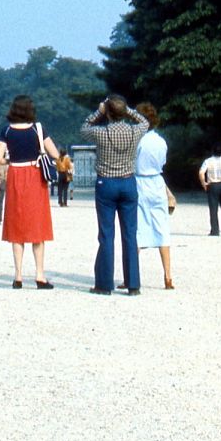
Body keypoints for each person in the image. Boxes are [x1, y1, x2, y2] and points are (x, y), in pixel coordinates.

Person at [80, 96, 148, 295]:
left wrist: (99, 111)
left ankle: (104, 283)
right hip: (128, 182)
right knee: (130, 234)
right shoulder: (135, 131)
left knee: (107, 235)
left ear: (108, 112)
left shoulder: (101, 133)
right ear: (123, 112)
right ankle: (133, 283)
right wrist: (128, 110)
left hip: (106, 182)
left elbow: (84, 128)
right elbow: (145, 121)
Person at [0, 96, 59, 288]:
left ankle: (18, 276)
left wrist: (10, 161)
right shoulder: (37, 129)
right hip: (34, 174)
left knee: (17, 225)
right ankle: (39, 275)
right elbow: (54, 153)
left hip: (16, 173)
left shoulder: (6, 130)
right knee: (37, 225)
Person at [133, 103, 174, 288]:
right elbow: (162, 164)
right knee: (162, 228)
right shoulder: (161, 141)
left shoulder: (137, 141)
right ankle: (168, 276)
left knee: (138, 229)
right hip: (157, 182)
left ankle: (131, 275)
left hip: (139, 182)